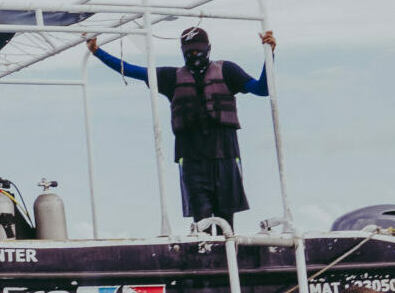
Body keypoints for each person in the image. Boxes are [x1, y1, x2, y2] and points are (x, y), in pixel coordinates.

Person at [86, 26, 274, 228]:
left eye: (198, 49)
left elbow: (262, 89)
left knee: (225, 221)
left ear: (208, 48)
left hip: (225, 155)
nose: (194, 54)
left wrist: (269, 54)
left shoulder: (227, 70)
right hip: (192, 158)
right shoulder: (171, 77)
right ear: (182, 50)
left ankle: (229, 257)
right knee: (201, 221)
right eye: (189, 50)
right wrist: (97, 51)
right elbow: (132, 70)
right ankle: (204, 256)